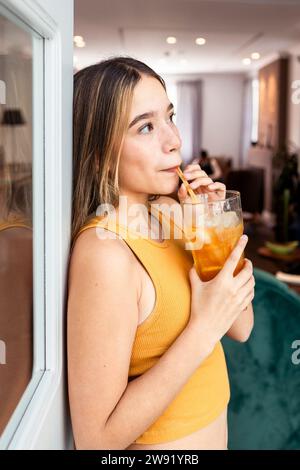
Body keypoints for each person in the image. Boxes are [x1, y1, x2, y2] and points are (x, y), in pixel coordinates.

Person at [67, 57, 254, 450]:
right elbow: (95, 441)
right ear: (99, 153)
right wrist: (202, 330)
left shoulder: (171, 213)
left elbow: (240, 327)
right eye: (146, 127)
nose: (174, 140)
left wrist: (213, 228)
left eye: (170, 116)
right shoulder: (105, 253)